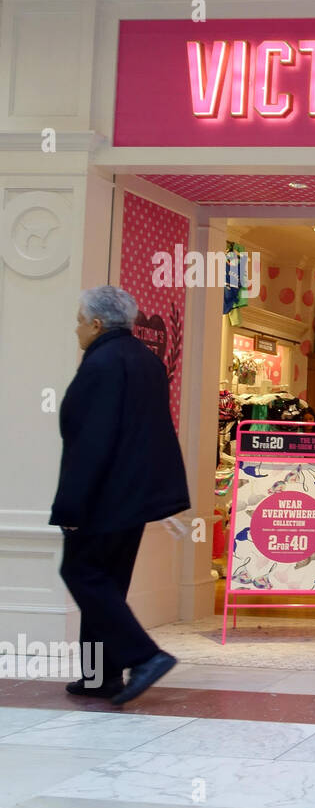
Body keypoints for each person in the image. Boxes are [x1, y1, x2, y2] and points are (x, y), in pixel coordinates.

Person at [51, 285, 189, 704]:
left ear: (96, 323)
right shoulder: (146, 360)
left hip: (102, 496)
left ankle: (145, 656)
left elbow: (90, 441)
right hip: (136, 495)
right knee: (107, 582)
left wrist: (71, 505)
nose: (76, 329)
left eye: (79, 320)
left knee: (82, 574)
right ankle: (100, 676)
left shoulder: (101, 364)